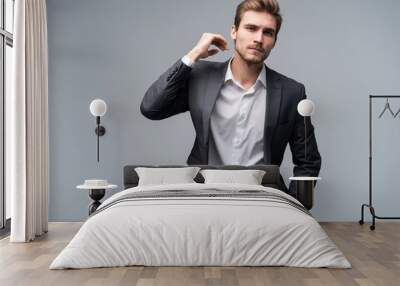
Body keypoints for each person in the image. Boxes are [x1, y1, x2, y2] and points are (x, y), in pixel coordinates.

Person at [140, 0, 321, 197]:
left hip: (263, 197)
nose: (259, 39)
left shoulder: (291, 92)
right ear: (234, 31)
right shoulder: (200, 78)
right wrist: (192, 56)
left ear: (274, 41)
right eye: (251, 28)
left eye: (268, 32)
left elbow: (308, 161)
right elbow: (151, 108)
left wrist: (294, 205)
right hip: (204, 194)